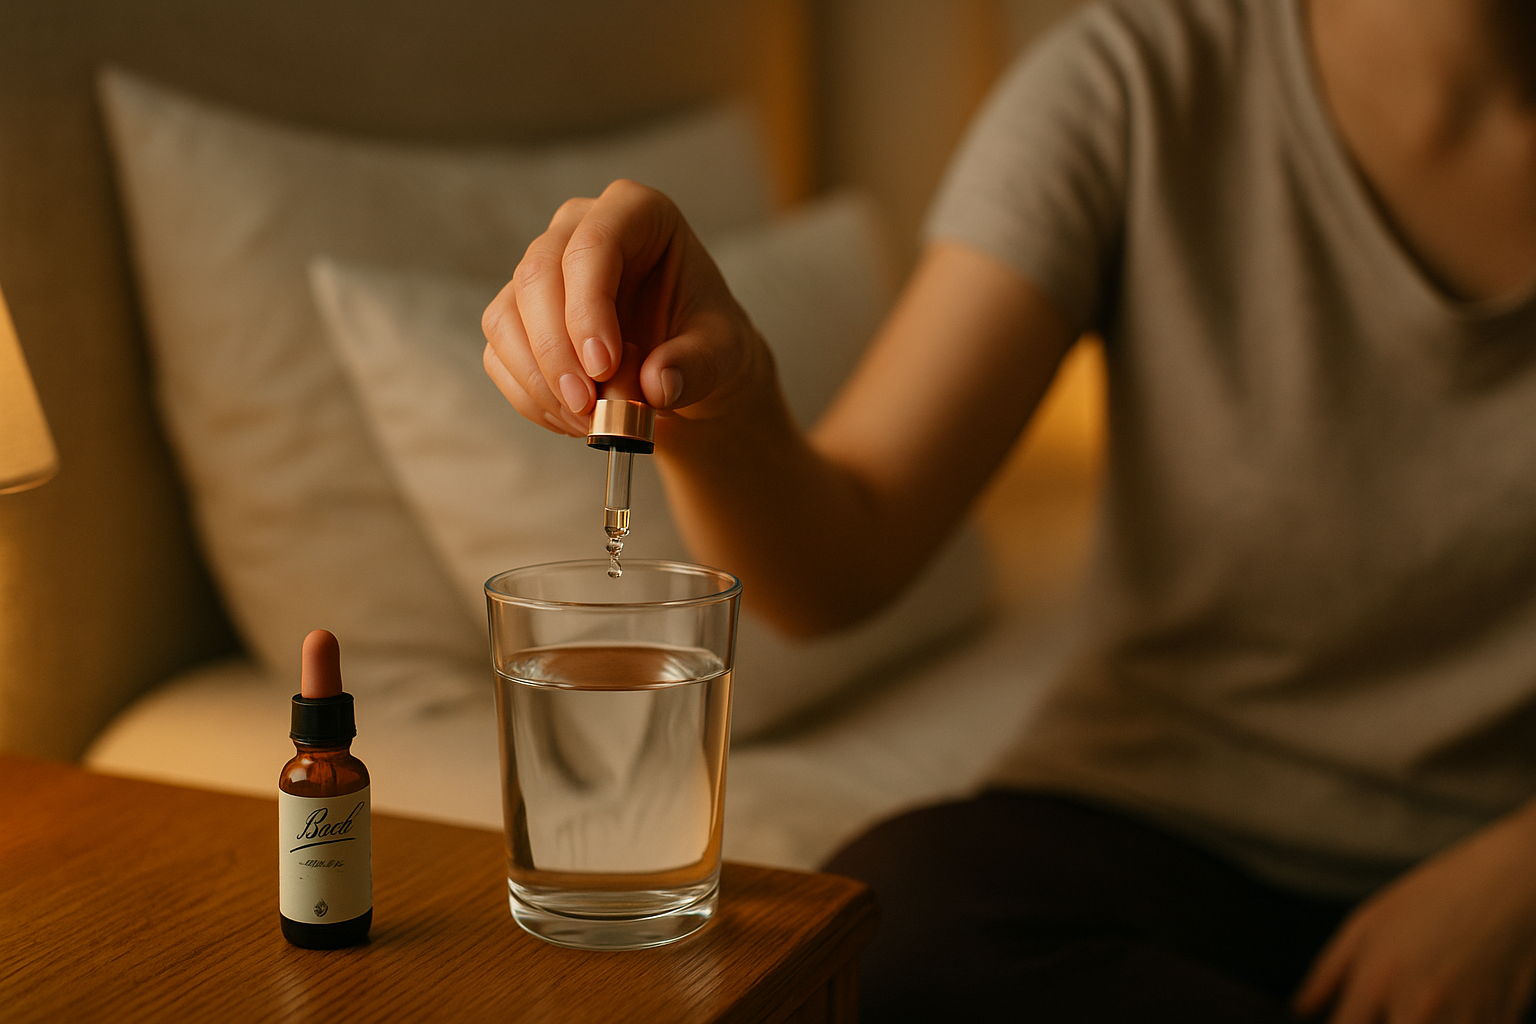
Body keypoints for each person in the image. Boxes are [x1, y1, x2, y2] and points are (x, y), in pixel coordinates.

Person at [480, 0, 1536, 1018]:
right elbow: (840, 558)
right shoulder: (1135, 84)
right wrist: (723, 392)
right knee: (885, 942)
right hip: (1162, 822)